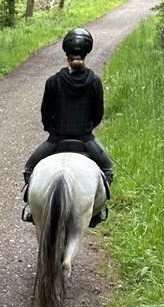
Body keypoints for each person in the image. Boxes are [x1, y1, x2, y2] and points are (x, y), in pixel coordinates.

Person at [22, 27, 114, 225]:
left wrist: (53, 130)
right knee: (107, 170)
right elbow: (98, 114)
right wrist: (87, 129)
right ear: (87, 53)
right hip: (85, 140)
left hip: (56, 140)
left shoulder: (53, 82)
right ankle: (97, 213)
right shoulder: (94, 82)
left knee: (29, 169)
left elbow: (45, 114)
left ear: (66, 53)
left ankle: (33, 210)